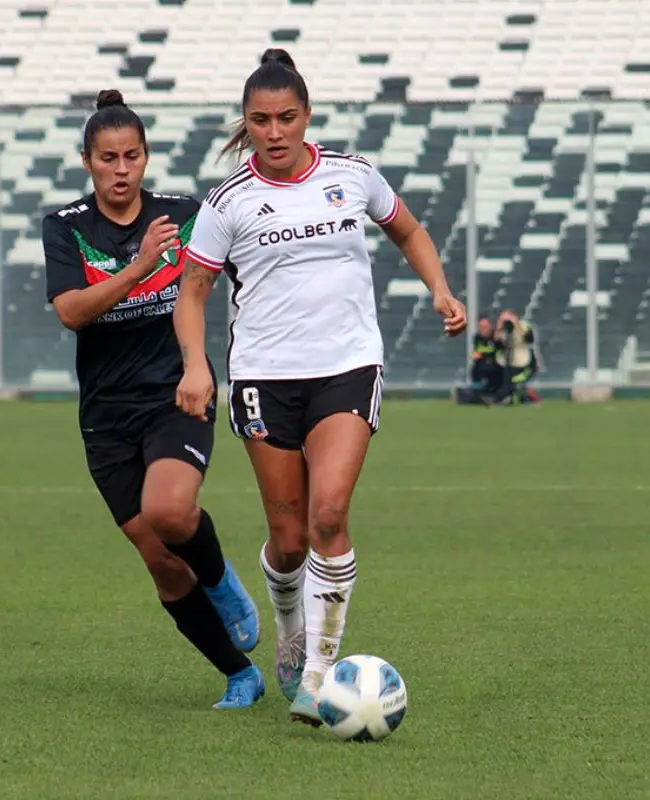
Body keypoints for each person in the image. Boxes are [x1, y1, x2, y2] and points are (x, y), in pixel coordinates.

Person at [172, 48, 467, 725]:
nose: (275, 132)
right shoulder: (228, 202)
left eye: (287, 118)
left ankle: (317, 678)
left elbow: (407, 228)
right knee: (289, 539)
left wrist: (442, 290)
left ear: (307, 116)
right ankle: (288, 620)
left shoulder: (352, 175)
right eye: (260, 121)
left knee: (328, 514)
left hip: (346, 366)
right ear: (245, 125)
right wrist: (196, 365)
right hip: (263, 377)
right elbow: (193, 293)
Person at [42, 89, 264, 709]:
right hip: (106, 416)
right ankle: (238, 673)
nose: (120, 169)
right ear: (86, 160)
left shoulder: (186, 214)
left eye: (131, 156)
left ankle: (221, 580)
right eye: (107, 158)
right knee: (160, 559)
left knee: (169, 513)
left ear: (146, 157)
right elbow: (71, 313)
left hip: (177, 393)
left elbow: (232, 273)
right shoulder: (64, 229)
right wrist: (138, 267)